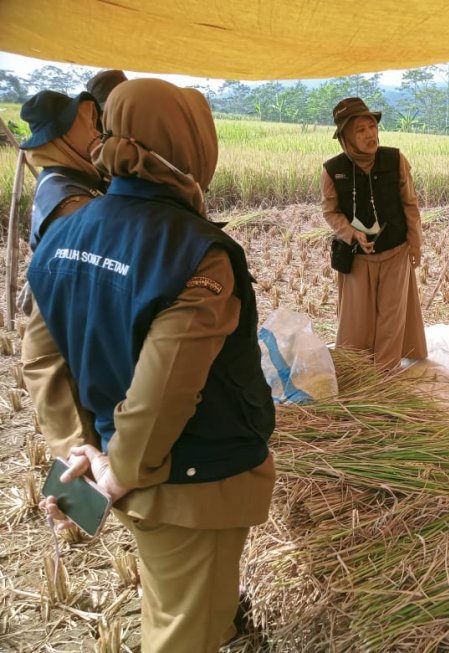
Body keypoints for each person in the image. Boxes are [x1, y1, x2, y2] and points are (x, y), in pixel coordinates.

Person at [22, 78, 276, 651]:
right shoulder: (195, 251)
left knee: (171, 600)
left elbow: (41, 358)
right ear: (191, 142)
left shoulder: (65, 231)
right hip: (191, 484)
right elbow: (165, 389)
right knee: (186, 633)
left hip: (121, 471)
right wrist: (120, 472)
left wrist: (78, 453)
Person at [321, 96, 428, 371]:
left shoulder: (395, 160)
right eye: (360, 130)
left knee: (392, 316)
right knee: (357, 319)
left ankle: (386, 372)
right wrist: (350, 233)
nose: (370, 134)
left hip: (396, 252)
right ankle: (357, 371)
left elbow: (410, 205)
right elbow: (330, 211)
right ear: (345, 138)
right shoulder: (333, 170)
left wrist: (415, 245)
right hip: (358, 257)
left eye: (372, 126)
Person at [16, 90, 105, 315]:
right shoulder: (68, 198)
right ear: (64, 138)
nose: (97, 132)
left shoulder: (69, 176)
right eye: (87, 127)